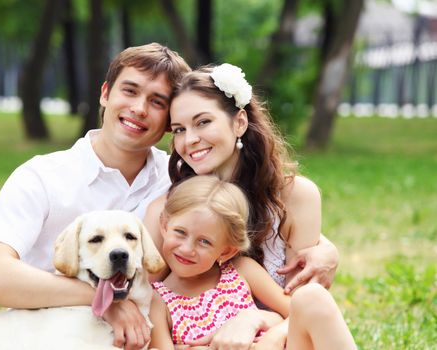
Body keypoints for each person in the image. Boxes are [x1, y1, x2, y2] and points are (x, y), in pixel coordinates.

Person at [0, 42, 191, 350]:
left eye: (157, 101)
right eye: (130, 90)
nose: (139, 108)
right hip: (19, 335)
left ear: (170, 119)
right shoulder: (43, 175)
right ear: (105, 93)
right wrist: (106, 299)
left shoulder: (178, 182)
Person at [143, 63, 340, 347]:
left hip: (281, 340)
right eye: (179, 130)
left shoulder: (296, 195)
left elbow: (303, 306)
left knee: (312, 298)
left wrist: (256, 322)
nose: (190, 140)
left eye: (203, 122)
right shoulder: (169, 210)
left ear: (239, 122)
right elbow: (147, 299)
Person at [149, 175, 356, 350]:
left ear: (227, 250)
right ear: (164, 225)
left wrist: (266, 326)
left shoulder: (240, 270)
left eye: (204, 241)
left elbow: (294, 314)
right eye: (180, 232)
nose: (187, 248)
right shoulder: (157, 301)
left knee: (313, 296)